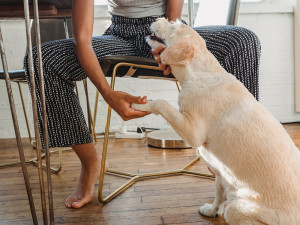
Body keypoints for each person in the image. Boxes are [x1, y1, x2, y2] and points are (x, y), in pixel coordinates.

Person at [24, 0, 260, 209]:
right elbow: (82, 39)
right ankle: (91, 161)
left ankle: (235, 159)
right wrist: (107, 93)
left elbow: (171, 19)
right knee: (42, 60)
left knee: (243, 41)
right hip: (119, 36)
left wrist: (167, 42)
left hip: (166, 29)